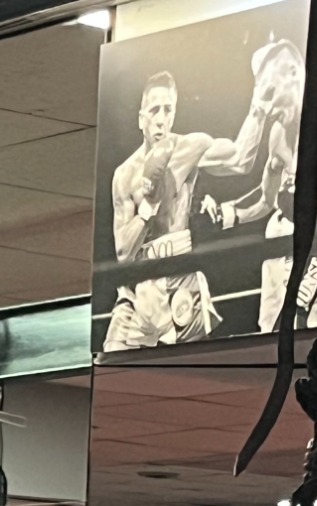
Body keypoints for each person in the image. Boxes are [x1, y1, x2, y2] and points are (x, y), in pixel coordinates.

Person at [203, 37, 317, 334]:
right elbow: (268, 199)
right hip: (283, 241)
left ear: (293, 73)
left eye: (271, 93)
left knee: (314, 327)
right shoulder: (279, 134)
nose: (269, 107)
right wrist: (225, 214)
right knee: (271, 331)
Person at [104, 72, 268, 350]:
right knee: (112, 360)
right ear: (141, 118)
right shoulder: (124, 176)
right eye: (154, 110)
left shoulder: (190, 148)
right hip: (137, 287)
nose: (161, 118)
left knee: (188, 363)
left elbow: (241, 159)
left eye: (168, 110)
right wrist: (148, 208)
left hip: (179, 274)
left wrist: (260, 106)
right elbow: (122, 253)